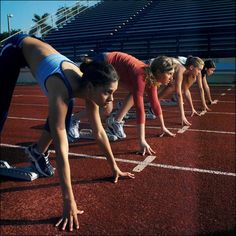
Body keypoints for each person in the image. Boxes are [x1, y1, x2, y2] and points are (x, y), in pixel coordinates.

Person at [0, 34, 134, 231]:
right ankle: (38, 152)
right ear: (91, 87)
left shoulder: (90, 87)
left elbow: (99, 132)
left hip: (40, 49)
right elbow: (62, 151)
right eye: (108, 92)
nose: (111, 99)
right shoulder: (60, 88)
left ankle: (37, 153)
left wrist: (114, 167)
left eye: (113, 92)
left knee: (65, 108)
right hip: (16, 48)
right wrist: (68, 200)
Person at [69, 52, 176, 156]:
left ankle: (116, 121)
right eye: (169, 74)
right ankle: (74, 119)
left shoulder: (150, 77)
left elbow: (155, 102)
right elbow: (140, 110)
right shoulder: (141, 76)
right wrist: (142, 141)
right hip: (104, 63)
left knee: (134, 93)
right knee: (106, 109)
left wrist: (163, 127)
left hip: (116, 67)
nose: (171, 77)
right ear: (158, 72)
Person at [158, 56, 205, 126]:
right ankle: (151, 102)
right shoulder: (181, 70)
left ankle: (153, 101)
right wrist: (182, 116)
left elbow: (186, 90)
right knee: (171, 86)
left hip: (161, 69)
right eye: (199, 69)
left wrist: (192, 109)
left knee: (171, 85)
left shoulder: (188, 74)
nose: (199, 72)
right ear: (191, 67)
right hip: (153, 66)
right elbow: (179, 94)